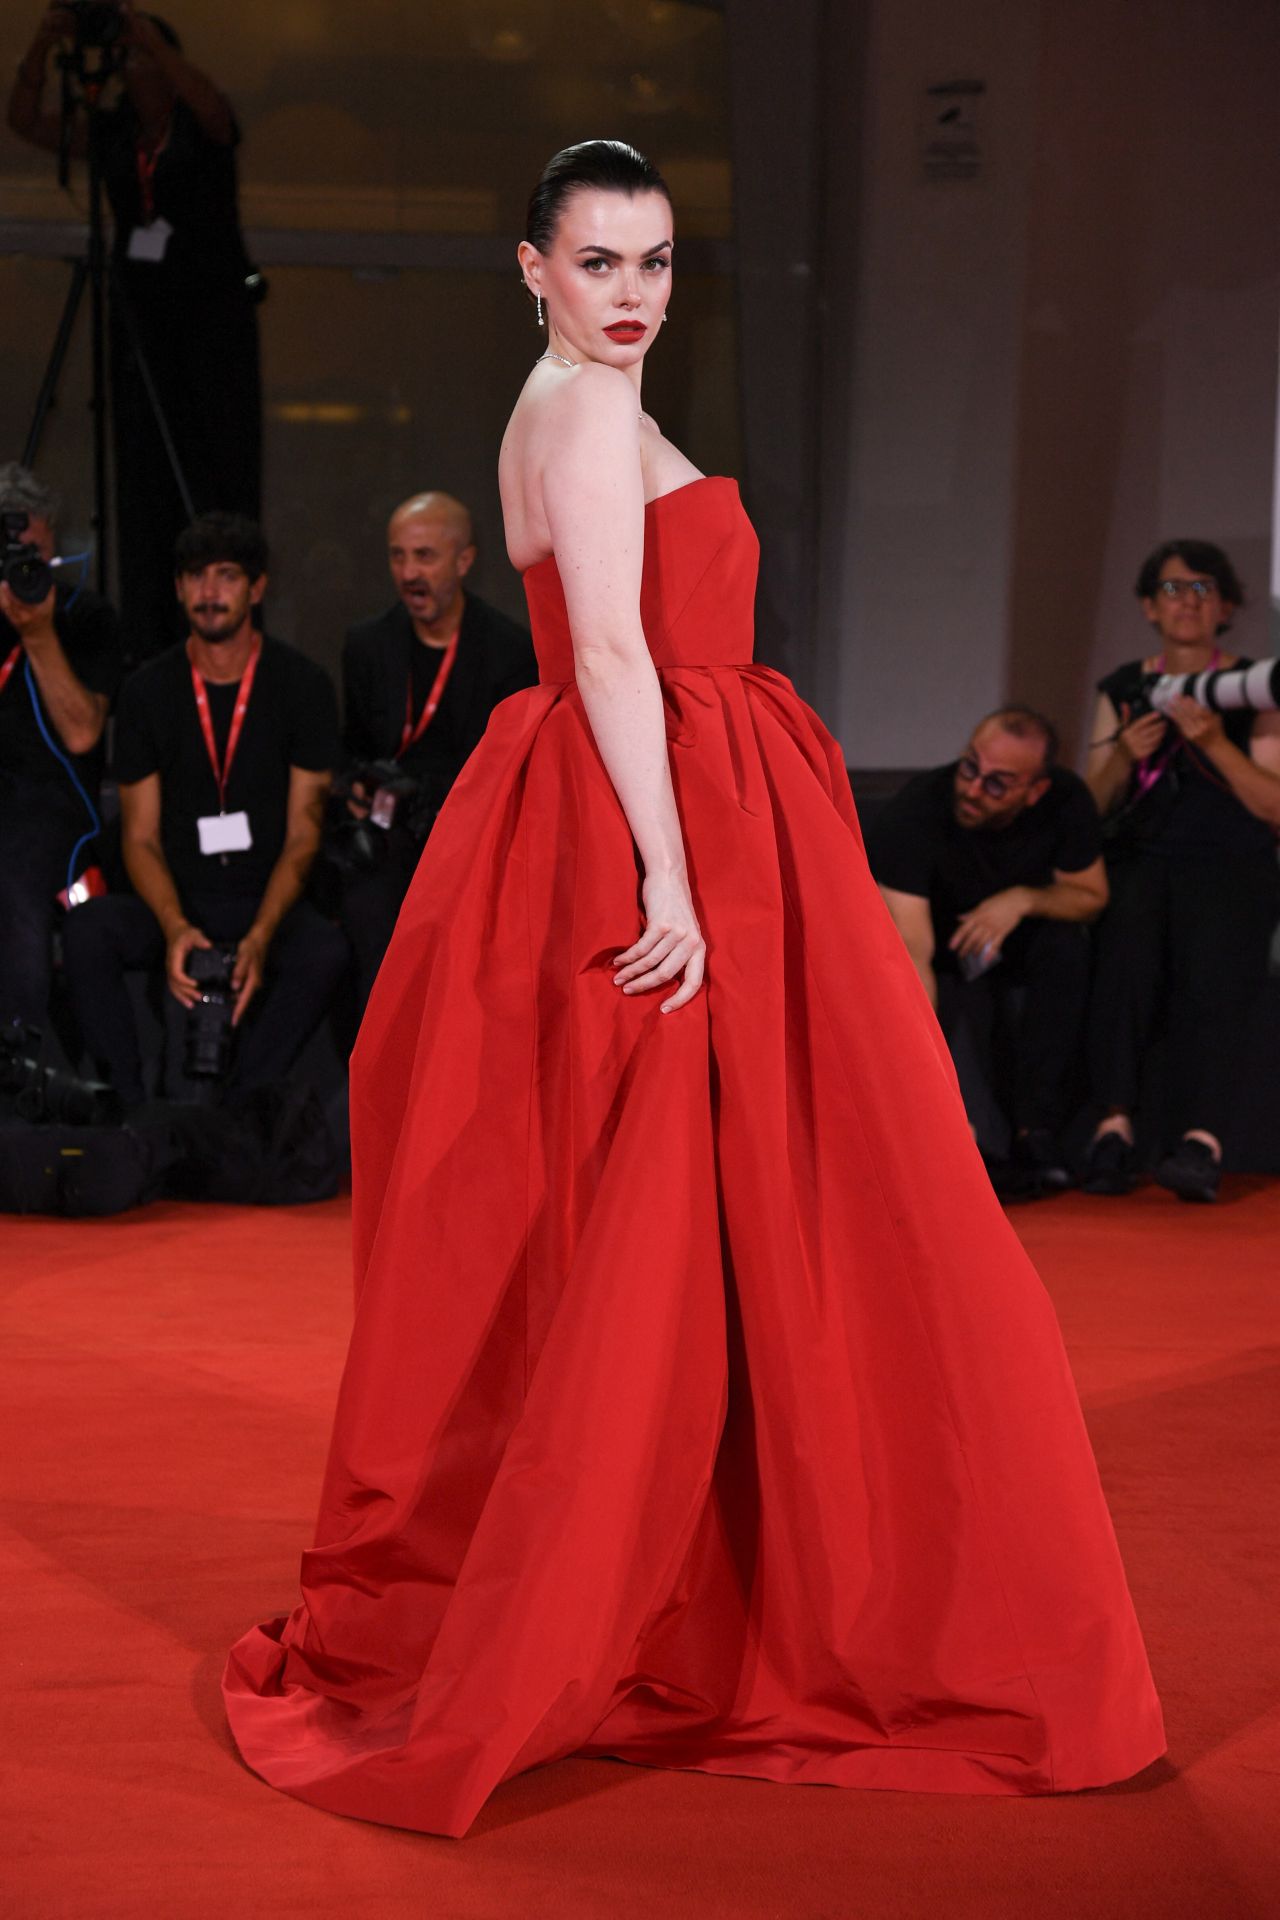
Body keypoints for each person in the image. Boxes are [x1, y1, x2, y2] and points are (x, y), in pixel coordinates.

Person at [224, 141, 1163, 1838]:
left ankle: (701, 1583)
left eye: (656, 260)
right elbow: (604, 652)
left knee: (691, 1216)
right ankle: (726, 1593)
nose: (636, 292)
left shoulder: (556, 400)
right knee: (760, 1210)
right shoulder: (580, 414)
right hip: (664, 814)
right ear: (533, 267)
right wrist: (671, 872)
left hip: (671, 796)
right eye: (599, 262)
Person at [63, 513, 346, 1106]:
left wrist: (262, 935)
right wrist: (175, 928)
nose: (209, 593)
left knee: (325, 949)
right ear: (177, 588)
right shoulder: (148, 691)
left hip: (263, 894)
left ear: (257, 588)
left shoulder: (302, 686)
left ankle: (245, 1104)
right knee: (89, 931)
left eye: (226, 576)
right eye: (195, 577)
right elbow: (139, 837)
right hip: (179, 897)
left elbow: (304, 833)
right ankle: (127, 1106)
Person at [8, 4, 262, 658]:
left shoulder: (197, 128)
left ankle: (221, 622)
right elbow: (26, 122)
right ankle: (149, 640)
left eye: (139, 60)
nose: (131, 72)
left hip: (207, 323)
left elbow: (215, 112)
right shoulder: (116, 130)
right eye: (128, 62)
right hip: (139, 320)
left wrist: (148, 36)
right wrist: (43, 42)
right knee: (143, 483)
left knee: (209, 472)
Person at [1082, 540, 1280, 1203]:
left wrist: (1215, 742)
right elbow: (1093, 802)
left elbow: (1273, 804)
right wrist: (1120, 754)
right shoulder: (1125, 687)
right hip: (1141, 859)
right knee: (1123, 973)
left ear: (1224, 607)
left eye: (1202, 589)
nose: (1187, 601)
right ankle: (1113, 1129)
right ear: (1148, 606)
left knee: (1219, 981)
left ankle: (1203, 1143)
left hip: (1232, 863)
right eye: (1172, 588)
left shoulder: (1257, 686)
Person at [868, 708, 1107, 1193]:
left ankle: (1037, 1133)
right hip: (938, 945)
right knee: (941, 987)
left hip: (1017, 938)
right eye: (970, 768)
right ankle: (954, 1140)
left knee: (1067, 951)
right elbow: (911, 950)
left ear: (1034, 790)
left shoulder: (1064, 801)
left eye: (997, 784)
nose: (973, 790)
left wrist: (1021, 900)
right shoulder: (917, 812)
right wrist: (931, 1086)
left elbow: (1091, 896)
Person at [335, 492, 537, 1011]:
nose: (408, 573)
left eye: (424, 556)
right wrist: (356, 787)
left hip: (471, 836)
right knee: (364, 913)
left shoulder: (509, 653)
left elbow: (513, 772)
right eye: (397, 556)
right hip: (389, 837)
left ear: (464, 561)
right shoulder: (367, 645)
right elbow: (351, 746)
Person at [0, 464, 122, 1037]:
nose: (30, 569)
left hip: (52, 807)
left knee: (16, 889)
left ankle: (18, 1073)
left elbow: (81, 734)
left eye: (39, 555)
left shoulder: (85, 617)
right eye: (15, 555)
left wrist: (37, 633)